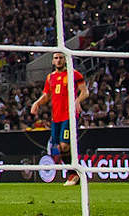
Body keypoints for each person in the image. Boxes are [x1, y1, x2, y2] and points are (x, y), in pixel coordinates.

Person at [29, 51, 89, 186]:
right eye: (56, 58)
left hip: (69, 116)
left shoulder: (74, 74)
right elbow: (46, 95)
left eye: (61, 58)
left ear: (65, 60)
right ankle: (74, 173)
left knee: (64, 145)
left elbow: (85, 91)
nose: (59, 60)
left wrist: (78, 100)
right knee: (59, 148)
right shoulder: (50, 77)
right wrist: (37, 103)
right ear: (52, 61)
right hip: (56, 117)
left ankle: (73, 174)